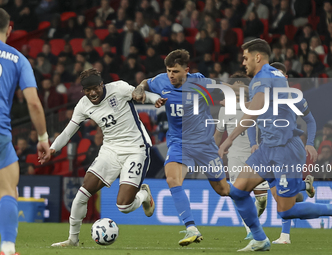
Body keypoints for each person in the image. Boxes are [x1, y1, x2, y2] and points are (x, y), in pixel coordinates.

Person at [218, 39, 332, 252]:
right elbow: (261, 104)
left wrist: (229, 138)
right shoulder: (275, 75)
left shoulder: (261, 78)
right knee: (238, 191)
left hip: (285, 150)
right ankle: (260, 239)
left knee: (286, 211)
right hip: (267, 149)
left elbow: (254, 111)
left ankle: (329, 208)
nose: (243, 62)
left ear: (257, 57)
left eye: (245, 57)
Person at [45, 68, 166, 247]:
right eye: (88, 90)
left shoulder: (119, 88)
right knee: (82, 194)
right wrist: (52, 149)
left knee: (124, 207)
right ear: (83, 91)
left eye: (95, 88)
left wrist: (156, 99)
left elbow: (142, 94)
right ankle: (73, 240)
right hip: (110, 150)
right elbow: (68, 131)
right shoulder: (83, 105)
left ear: (102, 85)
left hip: (136, 149)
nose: (92, 93)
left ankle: (143, 195)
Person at [132, 49, 231, 246]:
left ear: (186, 70)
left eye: (175, 71)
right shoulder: (161, 81)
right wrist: (140, 87)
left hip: (204, 144)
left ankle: (258, 187)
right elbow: (146, 82)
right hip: (179, 142)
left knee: (223, 190)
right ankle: (191, 228)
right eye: (168, 70)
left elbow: (223, 87)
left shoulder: (199, 81)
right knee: (172, 179)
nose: (171, 75)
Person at [0, 7, 51, 255]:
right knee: (7, 191)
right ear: (10, 28)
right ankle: (7, 247)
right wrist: (42, 138)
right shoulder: (18, 58)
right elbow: (34, 103)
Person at [213, 73, 270, 241]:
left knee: (262, 198)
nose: (237, 93)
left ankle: (253, 224)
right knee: (241, 196)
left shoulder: (255, 106)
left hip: (256, 156)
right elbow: (218, 134)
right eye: (234, 90)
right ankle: (251, 231)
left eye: (240, 89)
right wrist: (212, 153)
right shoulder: (224, 110)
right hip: (235, 157)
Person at [269, 62, 318, 244]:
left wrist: (310, 143)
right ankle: (304, 186)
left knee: (283, 192)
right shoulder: (265, 97)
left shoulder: (294, 97)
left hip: (290, 146)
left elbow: (310, 121)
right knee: (277, 193)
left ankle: (285, 236)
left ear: (286, 78)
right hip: (270, 148)